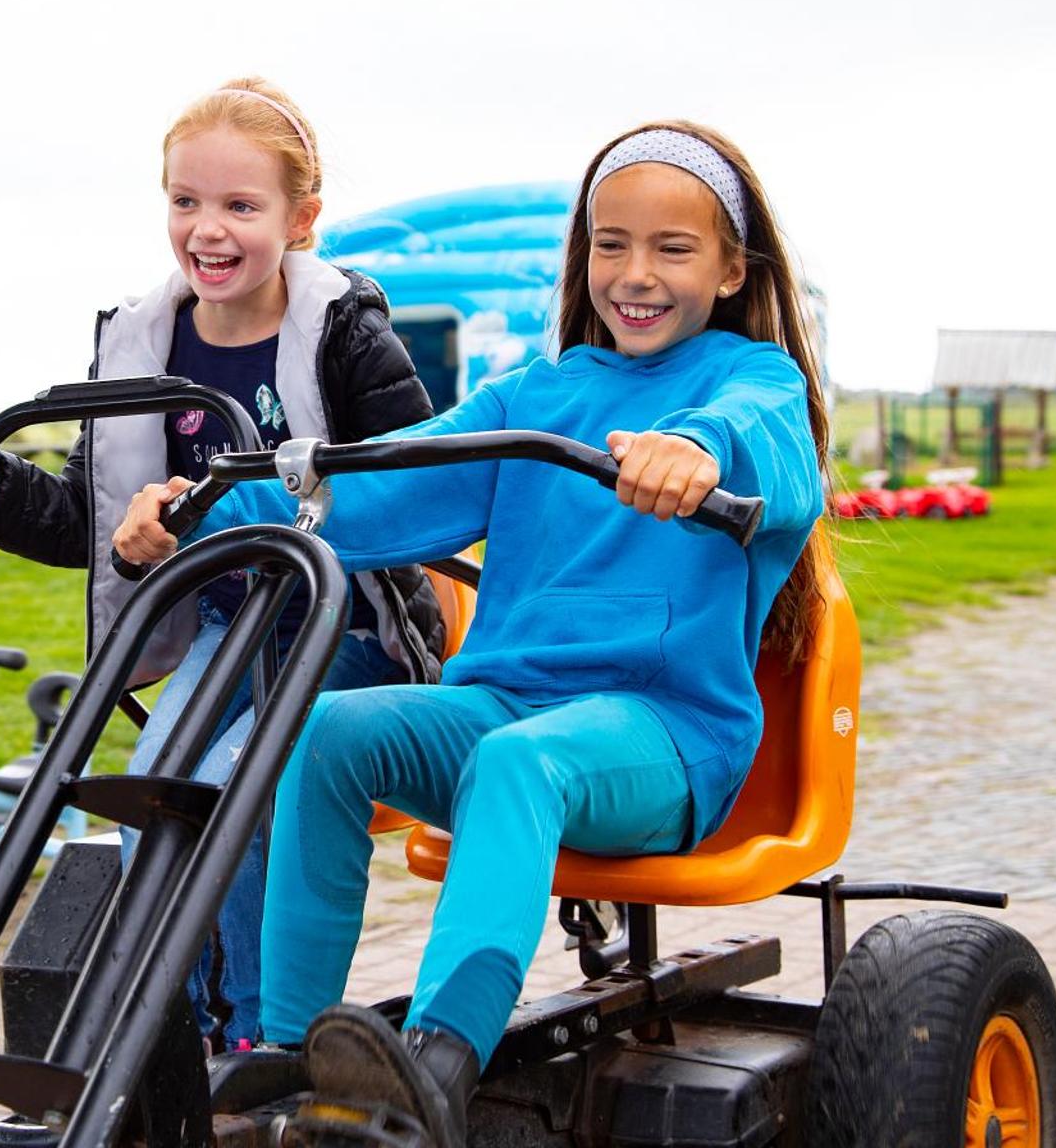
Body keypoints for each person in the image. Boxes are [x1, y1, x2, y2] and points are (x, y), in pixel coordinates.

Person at [113, 120, 831, 1145]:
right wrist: (198, 512)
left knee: (515, 761)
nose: (635, 273)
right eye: (611, 244)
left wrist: (695, 449)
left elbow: (771, 452)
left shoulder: (750, 384)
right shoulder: (534, 397)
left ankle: (439, 1065)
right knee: (320, 732)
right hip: (503, 707)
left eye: (672, 250)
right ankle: (282, 1059)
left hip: (662, 734)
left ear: (729, 268)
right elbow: (367, 483)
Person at [0, 77, 444, 1050]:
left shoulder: (344, 335)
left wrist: (248, 502)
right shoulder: (141, 343)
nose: (208, 229)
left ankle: (260, 1039)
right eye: (185, 201)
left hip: (344, 625)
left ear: (302, 219)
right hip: (225, 628)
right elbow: (92, 512)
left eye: (241, 206)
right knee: (153, 788)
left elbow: (423, 491)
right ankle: (196, 1033)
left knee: (232, 793)